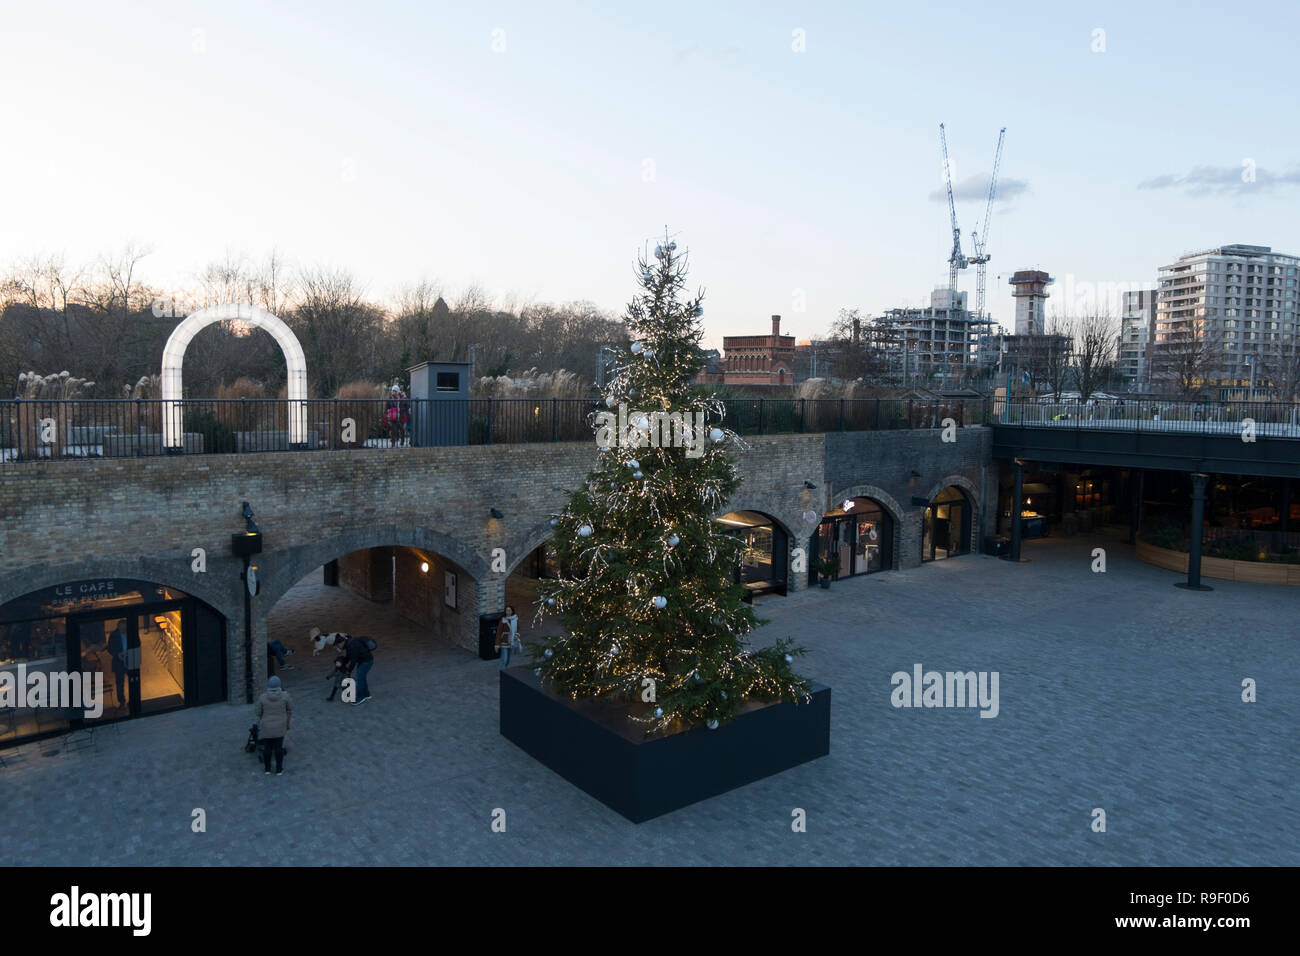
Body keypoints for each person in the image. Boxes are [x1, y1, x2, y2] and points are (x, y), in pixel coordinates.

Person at [256, 675, 292, 775]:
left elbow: (258, 712)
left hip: (266, 727)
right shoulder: (285, 696)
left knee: (267, 748)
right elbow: (290, 708)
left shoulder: (262, 697)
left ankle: (267, 769)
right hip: (280, 726)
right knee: (278, 748)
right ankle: (279, 769)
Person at [342, 634, 374, 704]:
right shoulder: (349, 644)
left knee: (358, 679)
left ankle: (360, 697)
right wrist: (342, 663)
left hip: (366, 662)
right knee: (362, 678)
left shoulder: (352, 646)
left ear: (342, 642)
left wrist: (349, 671)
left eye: (338, 645)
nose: (338, 647)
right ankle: (366, 694)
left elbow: (353, 660)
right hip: (365, 661)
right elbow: (348, 656)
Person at [107, 622, 129, 709]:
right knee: (119, 683)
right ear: (118, 628)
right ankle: (122, 702)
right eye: (122, 629)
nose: (123, 630)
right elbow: (110, 648)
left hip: (129, 659)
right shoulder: (113, 635)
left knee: (133, 680)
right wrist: (117, 654)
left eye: (124, 628)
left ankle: (133, 700)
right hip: (118, 662)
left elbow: (138, 643)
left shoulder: (131, 632)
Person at [494, 605, 519, 670]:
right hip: (504, 642)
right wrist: (497, 644)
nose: (508, 612)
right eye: (507, 610)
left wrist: (516, 635)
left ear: (512, 611)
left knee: (508, 660)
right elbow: (499, 633)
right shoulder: (503, 620)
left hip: (512, 641)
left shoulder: (515, 619)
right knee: (504, 660)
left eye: (509, 610)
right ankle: (502, 672)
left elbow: (517, 628)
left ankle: (504, 670)